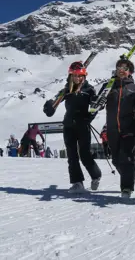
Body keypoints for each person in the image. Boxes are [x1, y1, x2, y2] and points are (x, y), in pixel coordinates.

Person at [43, 61, 102, 193]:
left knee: (84, 154)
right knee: (72, 155)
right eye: (75, 75)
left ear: (84, 76)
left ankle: (96, 175)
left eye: (80, 76)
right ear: (71, 76)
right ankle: (77, 183)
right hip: (68, 125)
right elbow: (54, 102)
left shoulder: (89, 90)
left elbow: (95, 108)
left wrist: (90, 117)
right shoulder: (66, 90)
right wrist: (49, 106)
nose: (77, 78)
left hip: (83, 125)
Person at [101, 56, 135, 198]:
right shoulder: (108, 87)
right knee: (116, 159)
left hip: (129, 128)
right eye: (119, 68)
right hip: (112, 128)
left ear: (130, 72)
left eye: (125, 68)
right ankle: (127, 176)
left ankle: (126, 188)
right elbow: (96, 104)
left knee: (127, 157)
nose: (121, 71)